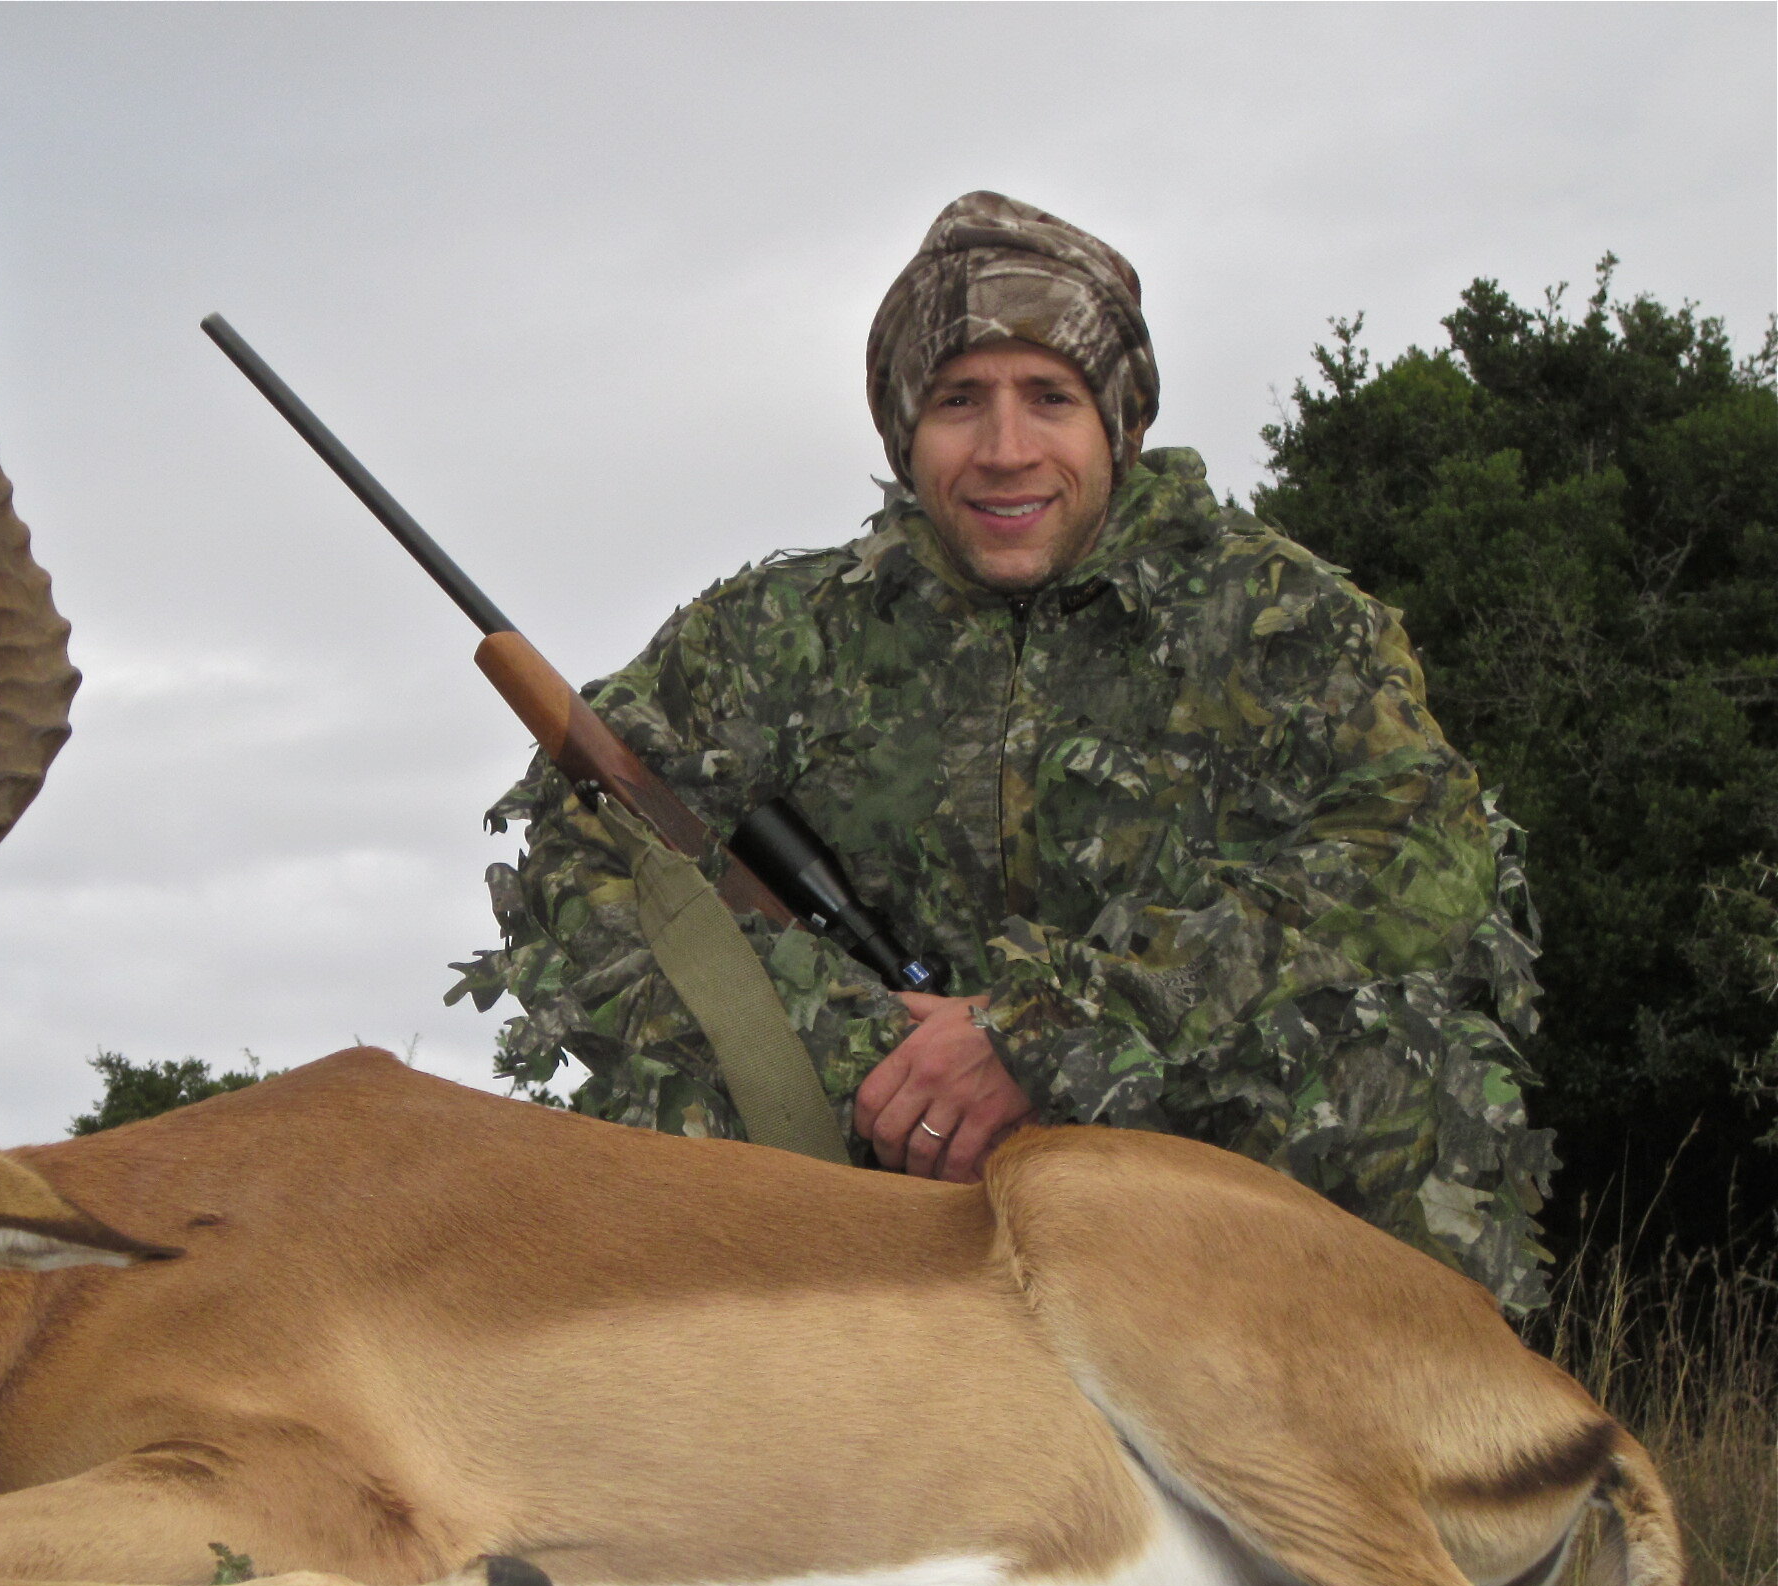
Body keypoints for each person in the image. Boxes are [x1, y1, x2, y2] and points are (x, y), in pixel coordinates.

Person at [451, 191, 1554, 1308]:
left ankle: (1397, 1460)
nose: (1005, 452)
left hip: (1175, 1145)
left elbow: (1426, 859)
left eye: (1050, 399)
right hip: (858, 1155)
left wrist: (1038, 1033)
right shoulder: (764, 638)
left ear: (1118, 422)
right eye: (959, 401)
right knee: (651, 1132)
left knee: (1401, 1069)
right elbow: (575, 845)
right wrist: (863, 1053)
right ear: (904, 429)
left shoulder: (1279, 617)